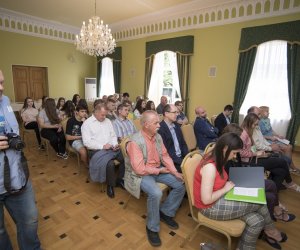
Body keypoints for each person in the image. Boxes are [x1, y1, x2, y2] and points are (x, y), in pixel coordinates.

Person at [194, 132, 288, 249]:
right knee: (260, 202)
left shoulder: (218, 156)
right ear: (225, 148)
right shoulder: (210, 167)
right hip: (209, 208)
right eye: (234, 153)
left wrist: (226, 188)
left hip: (219, 198)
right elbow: (206, 200)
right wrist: (225, 188)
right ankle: (271, 231)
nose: (234, 156)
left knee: (257, 221)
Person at [125, 110, 185, 247]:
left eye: (159, 122)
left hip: (157, 170)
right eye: (156, 123)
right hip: (142, 174)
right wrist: (159, 170)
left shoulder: (157, 136)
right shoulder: (135, 142)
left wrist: (175, 172)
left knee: (180, 184)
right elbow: (139, 169)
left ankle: (165, 212)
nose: (159, 125)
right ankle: (152, 227)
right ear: (146, 125)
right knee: (156, 193)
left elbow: (165, 156)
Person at [0, 70, 41, 250]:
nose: (2, 88)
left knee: (29, 221)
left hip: (17, 178)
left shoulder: (6, 101)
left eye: (2, 82)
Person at [223, 123, 295, 222]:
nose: (241, 141)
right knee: (270, 192)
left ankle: (275, 209)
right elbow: (229, 177)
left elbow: (237, 168)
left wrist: (254, 173)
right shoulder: (226, 154)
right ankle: (275, 212)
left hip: (239, 176)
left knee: (271, 185)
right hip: (236, 182)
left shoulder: (233, 150)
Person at [240, 113, 300, 192]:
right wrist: (255, 153)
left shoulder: (250, 130)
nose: (257, 126)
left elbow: (253, 147)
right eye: (255, 124)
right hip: (251, 161)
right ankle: (290, 183)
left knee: (281, 172)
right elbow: (241, 152)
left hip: (255, 157)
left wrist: (260, 153)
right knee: (282, 162)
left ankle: (273, 189)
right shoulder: (243, 135)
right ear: (249, 123)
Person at [81, 103, 125, 198]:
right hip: (96, 150)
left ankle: (120, 180)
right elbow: (87, 143)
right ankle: (110, 185)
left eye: (105, 114)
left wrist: (114, 144)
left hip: (110, 148)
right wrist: (102, 146)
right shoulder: (87, 124)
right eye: (102, 115)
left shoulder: (108, 121)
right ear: (95, 112)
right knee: (109, 164)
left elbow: (113, 135)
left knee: (125, 156)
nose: (104, 117)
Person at [259, 106, 300, 173]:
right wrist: (270, 138)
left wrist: (278, 135)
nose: (269, 113)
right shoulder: (259, 122)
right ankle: (290, 166)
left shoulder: (268, 119)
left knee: (289, 146)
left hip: (272, 138)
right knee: (287, 148)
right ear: (262, 112)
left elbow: (271, 130)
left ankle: (289, 165)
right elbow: (260, 136)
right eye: (267, 111)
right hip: (266, 140)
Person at [158, 104, 188, 173]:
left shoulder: (177, 125)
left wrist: (187, 158)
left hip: (181, 158)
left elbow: (183, 143)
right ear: (166, 113)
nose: (177, 114)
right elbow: (166, 152)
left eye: (177, 112)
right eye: (174, 112)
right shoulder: (161, 129)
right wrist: (183, 162)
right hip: (172, 161)